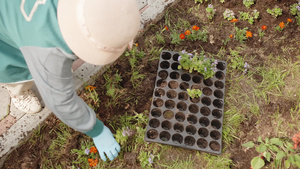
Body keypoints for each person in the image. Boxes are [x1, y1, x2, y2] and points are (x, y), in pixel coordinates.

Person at [0, 0, 140, 162]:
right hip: (6, 41)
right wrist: (96, 130)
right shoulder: (47, 53)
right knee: (13, 71)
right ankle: (18, 92)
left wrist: (119, 29)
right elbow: (60, 102)